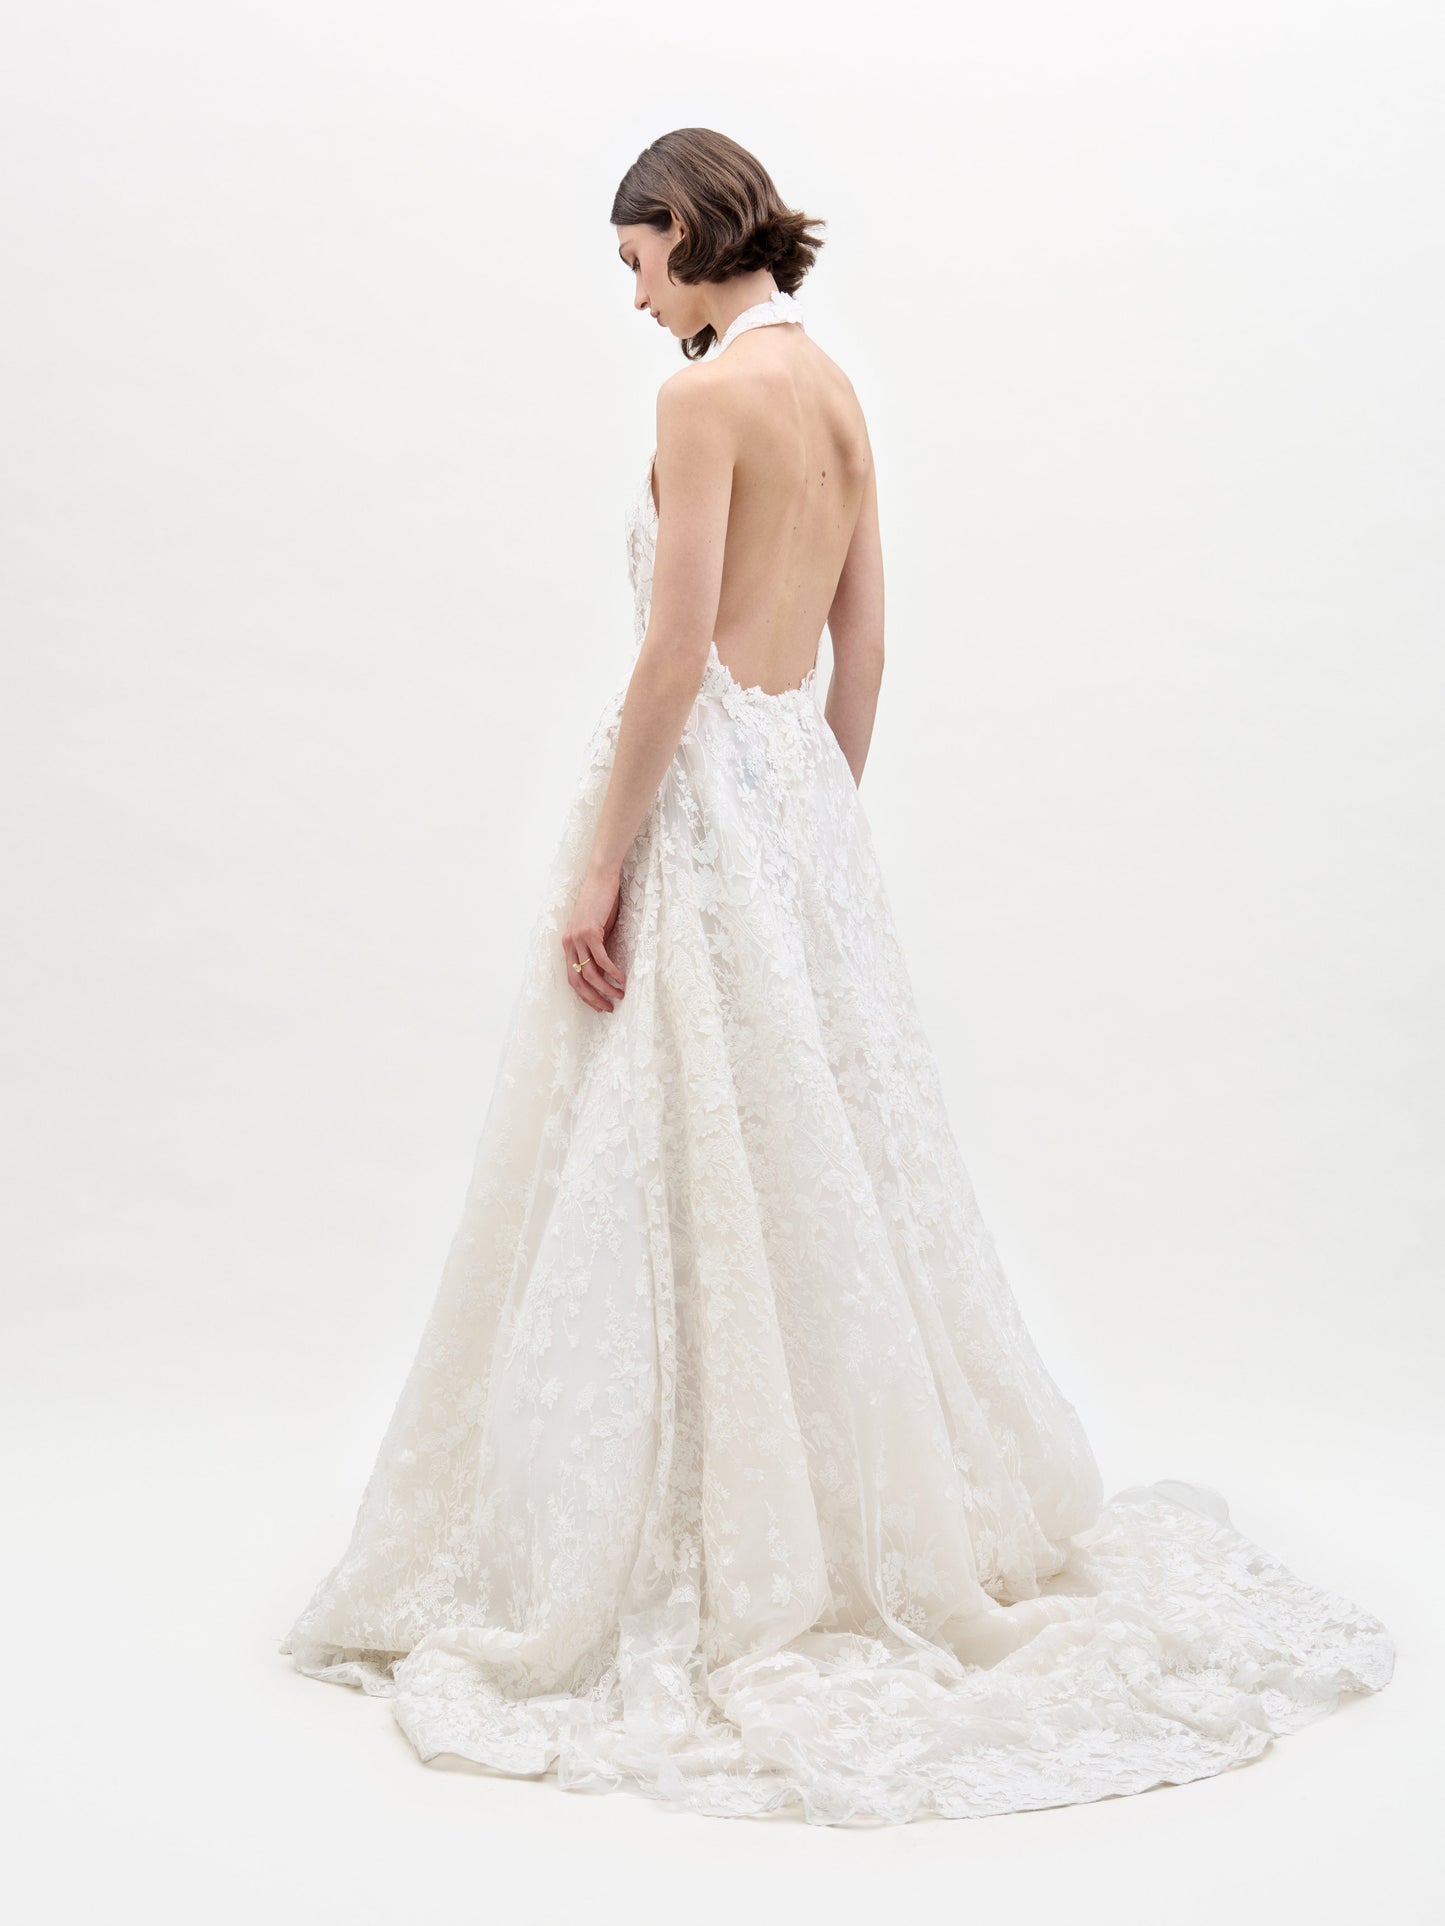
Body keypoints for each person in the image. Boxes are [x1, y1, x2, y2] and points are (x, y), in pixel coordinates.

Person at [279, 128, 1395, 1826]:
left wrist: (603, 864)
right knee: (807, 1168)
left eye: (634, 261)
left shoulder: (702, 399)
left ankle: (694, 1530)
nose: (632, 298)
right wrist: (811, 815)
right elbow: (862, 641)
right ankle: (833, 1508)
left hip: (698, 803)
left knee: (679, 1164)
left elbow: (674, 652)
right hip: (794, 803)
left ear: (681, 226)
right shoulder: (839, 394)